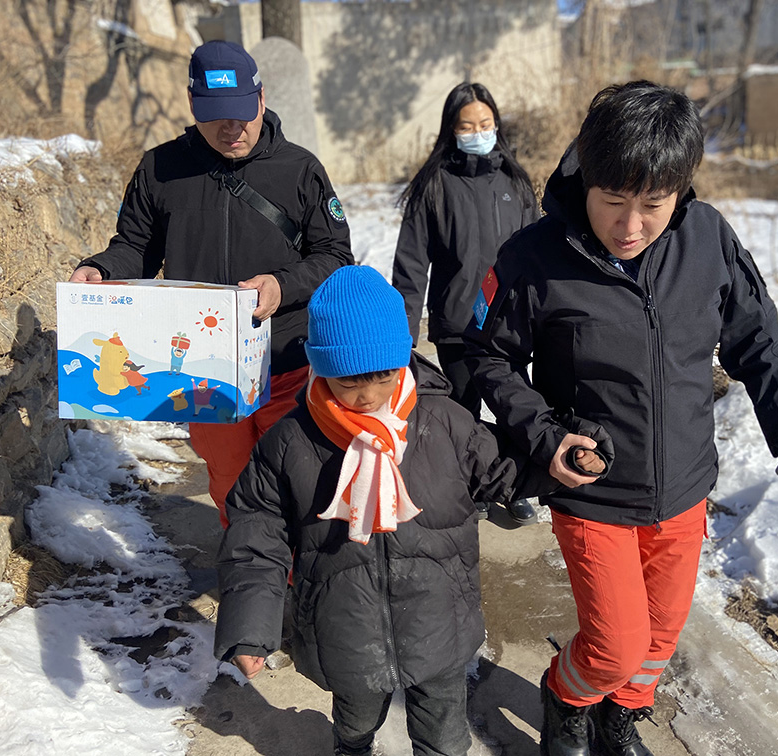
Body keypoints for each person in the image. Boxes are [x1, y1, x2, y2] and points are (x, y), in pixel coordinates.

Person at [462, 81, 778, 756]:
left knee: (659, 635)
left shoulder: (708, 239)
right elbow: (490, 356)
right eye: (613, 202)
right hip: (592, 489)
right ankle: (567, 698)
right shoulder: (533, 258)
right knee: (614, 644)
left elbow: (759, 341)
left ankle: (618, 718)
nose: (630, 226)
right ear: (586, 178)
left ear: (680, 191)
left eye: (653, 205)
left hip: (683, 486)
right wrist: (546, 436)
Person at [213, 265, 609, 756]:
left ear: (402, 361)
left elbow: (503, 468)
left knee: (444, 736)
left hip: (438, 622)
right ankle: (352, 747)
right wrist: (250, 627)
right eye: (349, 381)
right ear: (321, 367)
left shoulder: (443, 422)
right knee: (355, 722)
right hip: (346, 630)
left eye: (382, 376)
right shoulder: (291, 442)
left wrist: (564, 458)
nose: (368, 396)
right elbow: (256, 533)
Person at [69, 40, 353, 528]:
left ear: (261, 98)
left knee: (301, 478)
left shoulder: (300, 169)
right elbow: (136, 246)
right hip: (205, 372)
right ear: (191, 103)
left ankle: (303, 567)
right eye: (216, 116)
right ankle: (248, 561)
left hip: (288, 359)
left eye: (243, 112)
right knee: (230, 480)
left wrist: (282, 285)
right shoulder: (159, 169)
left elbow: (335, 256)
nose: (232, 128)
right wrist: (103, 269)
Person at [391, 82, 542, 525]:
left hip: (510, 325)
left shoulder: (515, 182)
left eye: (485, 124)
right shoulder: (435, 187)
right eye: (467, 126)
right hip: (457, 324)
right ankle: (470, 485)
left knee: (514, 408)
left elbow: (540, 255)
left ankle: (515, 486)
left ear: (497, 125)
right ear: (451, 130)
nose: (478, 133)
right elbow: (410, 267)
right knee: (461, 412)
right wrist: (403, 334)